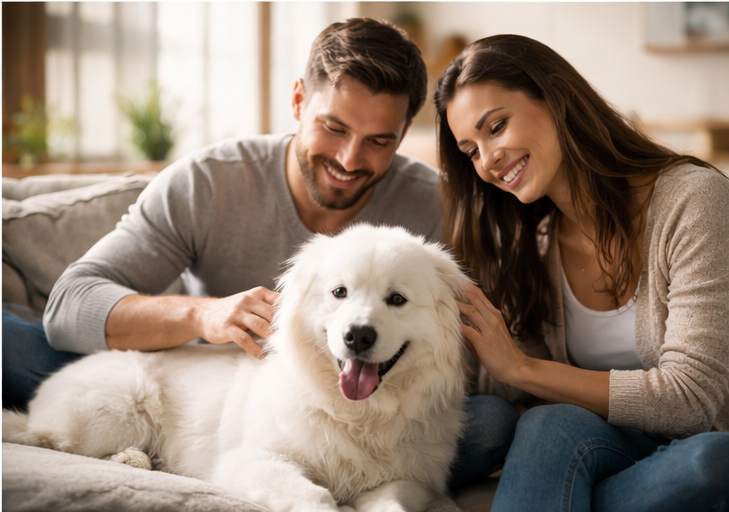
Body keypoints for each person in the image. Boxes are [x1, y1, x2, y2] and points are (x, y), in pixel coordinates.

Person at [2, 19, 516, 490]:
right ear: (298, 100)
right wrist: (204, 315)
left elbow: (473, 337)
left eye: (379, 140)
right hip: (197, 381)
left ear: (403, 134)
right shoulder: (209, 180)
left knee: (491, 423)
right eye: (334, 127)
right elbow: (68, 306)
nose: (349, 158)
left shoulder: (437, 208)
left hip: (362, 406)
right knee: (14, 341)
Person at [435, 34, 729, 511]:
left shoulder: (695, 201)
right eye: (470, 150)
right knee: (548, 423)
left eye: (497, 127)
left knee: (711, 462)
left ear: (555, 97)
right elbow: (511, 386)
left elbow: (690, 401)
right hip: (624, 445)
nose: (487, 161)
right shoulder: (537, 244)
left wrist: (523, 367)